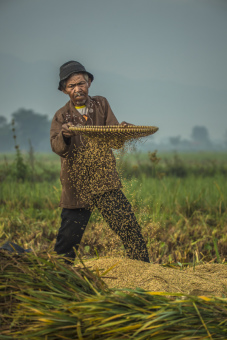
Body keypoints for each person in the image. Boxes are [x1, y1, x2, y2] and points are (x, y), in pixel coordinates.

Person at [50, 60, 149, 263]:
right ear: (64, 90)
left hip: (104, 181)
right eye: (71, 86)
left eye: (81, 83)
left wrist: (122, 131)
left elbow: (114, 139)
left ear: (89, 83)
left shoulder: (101, 104)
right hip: (77, 186)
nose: (78, 89)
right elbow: (57, 147)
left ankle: (143, 270)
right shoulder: (62, 116)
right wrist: (66, 135)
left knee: (130, 229)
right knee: (67, 243)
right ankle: (61, 274)